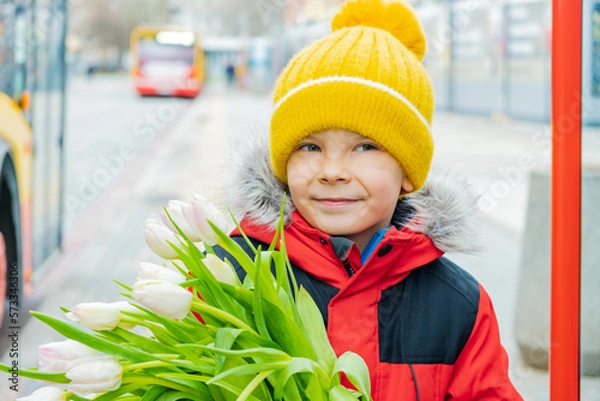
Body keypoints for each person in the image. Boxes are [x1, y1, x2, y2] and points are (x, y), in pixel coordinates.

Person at [216, 0, 524, 399]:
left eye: (364, 148)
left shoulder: (457, 307)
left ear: (408, 171)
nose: (332, 170)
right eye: (309, 147)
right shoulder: (232, 274)